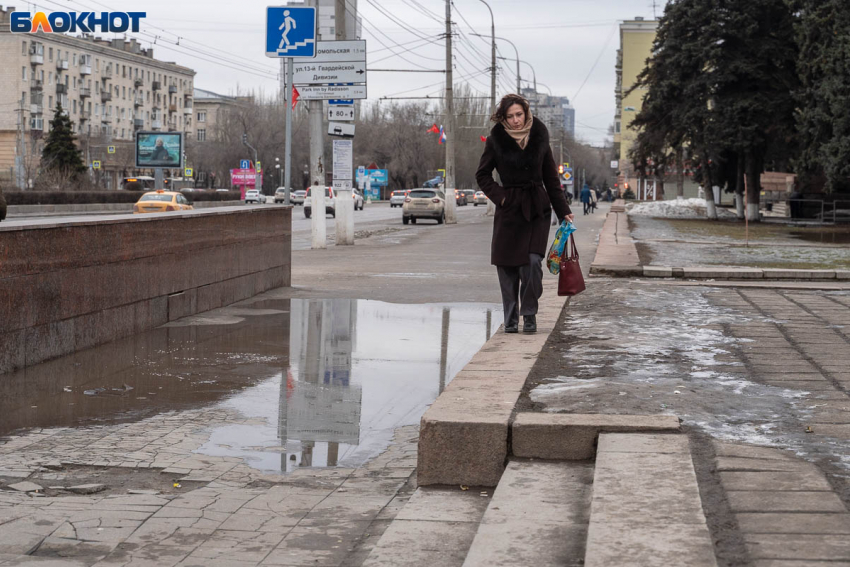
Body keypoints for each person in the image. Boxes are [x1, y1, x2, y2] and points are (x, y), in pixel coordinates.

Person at [476, 94, 574, 334]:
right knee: (507, 266)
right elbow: (482, 175)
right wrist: (502, 197)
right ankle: (510, 319)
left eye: (519, 114)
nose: (516, 120)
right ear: (504, 118)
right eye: (510, 116)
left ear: (526, 113)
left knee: (532, 263)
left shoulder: (540, 138)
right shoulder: (495, 141)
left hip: (536, 208)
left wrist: (564, 212)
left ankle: (529, 313)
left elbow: (551, 179)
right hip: (509, 209)